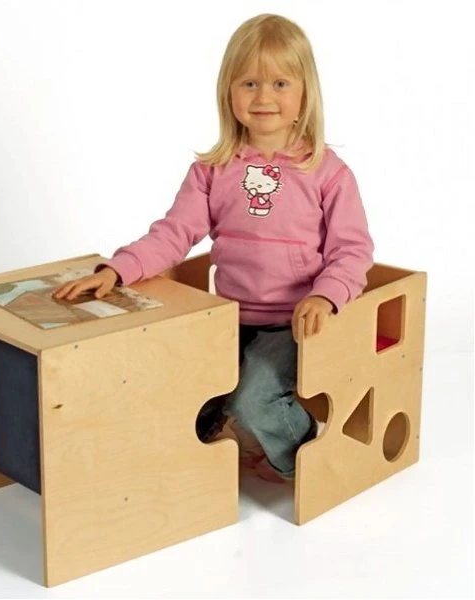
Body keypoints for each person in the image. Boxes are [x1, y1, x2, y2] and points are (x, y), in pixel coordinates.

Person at [53, 14, 374, 483]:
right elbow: (173, 234)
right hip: (228, 318)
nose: (263, 97)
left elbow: (353, 251)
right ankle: (213, 453)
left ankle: (305, 463)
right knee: (184, 387)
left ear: (305, 93)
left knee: (255, 397)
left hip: (294, 324)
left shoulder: (327, 172)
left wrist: (326, 296)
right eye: (249, 83)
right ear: (228, 91)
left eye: (280, 83)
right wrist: (117, 270)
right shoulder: (212, 170)